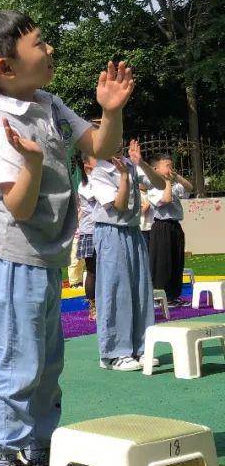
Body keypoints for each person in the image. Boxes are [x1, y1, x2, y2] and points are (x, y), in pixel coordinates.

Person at [0, 9, 134, 466]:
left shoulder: (48, 103)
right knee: (21, 361)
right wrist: (34, 164)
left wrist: (112, 109)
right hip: (12, 256)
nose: (50, 50)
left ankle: (39, 450)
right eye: (39, 44)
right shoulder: (1, 128)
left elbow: (102, 147)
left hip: (42, 255)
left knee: (48, 361)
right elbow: (17, 206)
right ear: (6, 67)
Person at [89, 138, 165, 371]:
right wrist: (123, 176)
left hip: (133, 231)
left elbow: (160, 184)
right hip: (111, 232)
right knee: (115, 290)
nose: (118, 142)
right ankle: (112, 354)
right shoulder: (99, 171)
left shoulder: (130, 164)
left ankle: (141, 348)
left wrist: (140, 163)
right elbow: (120, 205)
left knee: (140, 288)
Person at [146, 153, 192, 307]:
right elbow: (166, 199)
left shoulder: (173, 184)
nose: (170, 169)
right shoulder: (153, 188)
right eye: (167, 166)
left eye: (172, 166)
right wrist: (166, 182)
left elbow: (189, 188)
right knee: (162, 262)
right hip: (161, 227)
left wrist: (176, 177)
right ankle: (160, 296)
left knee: (176, 261)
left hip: (175, 225)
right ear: (155, 169)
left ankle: (173, 296)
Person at [74, 153, 99, 319]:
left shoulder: (98, 180)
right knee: (92, 271)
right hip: (90, 232)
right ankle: (93, 306)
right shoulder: (86, 184)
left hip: (103, 230)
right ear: (87, 165)